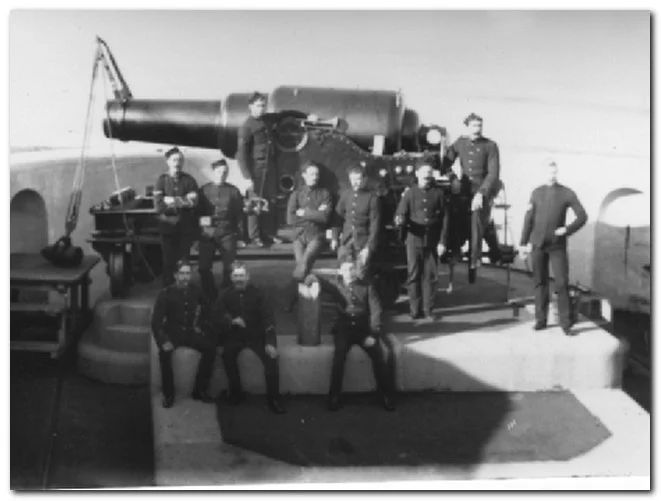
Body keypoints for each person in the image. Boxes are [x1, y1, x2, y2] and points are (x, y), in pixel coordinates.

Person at [311, 258, 396, 412]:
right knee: (339, 357)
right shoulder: (336, 285)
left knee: (379, 356)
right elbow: (320, 282)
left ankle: (385, 395)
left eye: (352, 269)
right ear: (340, 272)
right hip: (344, 329)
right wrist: (312, 277)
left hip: (363, 330)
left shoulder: (367, 286)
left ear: (356, 270)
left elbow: (376, 310)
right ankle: (334, 396)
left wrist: (374, 333)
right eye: (345, 270)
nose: (349, 273)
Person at [519, 159, 587, 335]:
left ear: (557, 173)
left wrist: (567, 229)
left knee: (562, 283)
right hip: (537, 245)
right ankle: (541, 320)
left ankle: (566, 324)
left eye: (554, 172)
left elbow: (582, 216)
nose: (552, 175)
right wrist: (522, 244)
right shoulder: (536, 193)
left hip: (557, 246)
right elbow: (528, 220)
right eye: (549, 172)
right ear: (544, 173)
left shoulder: (566, 193)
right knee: (540, 282)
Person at [210, 262, 286, 414]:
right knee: (227, 356)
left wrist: (270, 342)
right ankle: (236, 392)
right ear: (232, 278)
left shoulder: (259, 294)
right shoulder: (226, 294)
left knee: (271, 359)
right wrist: (230, 320)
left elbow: (268, 318)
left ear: (248, 277)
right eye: (236, 276)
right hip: (235, 336)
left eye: (242, 276)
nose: (239, 279)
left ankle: (274, 399)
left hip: (256, 336)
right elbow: (215, 315)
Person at [441, 113, 502, 280]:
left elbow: (493, 173)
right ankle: (453, 250)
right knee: (451, 211)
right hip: (464, 188)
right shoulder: (460, 143)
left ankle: (475, 259)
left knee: (476, 218)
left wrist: (481, 194)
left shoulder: (490, 146)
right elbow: (445, 163)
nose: (477, 129)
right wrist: (453, 178)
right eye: (474, 126)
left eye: (479, 126)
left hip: (483, 188)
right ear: (467, 127)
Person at [151, 260, 217, 409]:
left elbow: (207, 309)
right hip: (173, 334)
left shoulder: (196, 290)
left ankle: (200, 390)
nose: (185, 277)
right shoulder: (165, 294)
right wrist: (163, 340)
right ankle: (168, 394)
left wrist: (200, 326)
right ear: (175, 275)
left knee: (210, 349)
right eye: (182, 273)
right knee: (165, 354)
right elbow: (156, 322)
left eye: (188, 273)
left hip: (191, 333)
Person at [395, 164, 449, 320]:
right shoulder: (410, 193)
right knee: (413, 275)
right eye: (424, 173)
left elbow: (445, 219)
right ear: (417, 174)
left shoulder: (438, 193)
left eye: (429, 174)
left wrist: (442, 242)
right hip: (413, 240)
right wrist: (399, 219)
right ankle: (414, 309)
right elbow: (401, 212)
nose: (427, 177)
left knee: (430, 276)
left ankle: (428, 310)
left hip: (432, 241)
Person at [285, 161, 333, 310]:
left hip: (316, 236)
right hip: (299, 236)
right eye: (311, 174)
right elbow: (290, 218)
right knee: (302, 267)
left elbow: (325, 218)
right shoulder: (297, 194)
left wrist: (304, 213)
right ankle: (307, 298)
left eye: (317, 174)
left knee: (304, 264)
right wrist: (315, 213)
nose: (314, 177)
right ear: (304, 176)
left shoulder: (324, 194)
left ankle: (290, 300)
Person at [197, 159, 245, 300]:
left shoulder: (233, 191)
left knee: (230, 268)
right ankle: (209, 294)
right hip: (208, 232)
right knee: (203, 268)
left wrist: (240, 237)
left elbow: (239, 215)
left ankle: (226, 295)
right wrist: (206, 229)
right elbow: (199, 213)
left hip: (227, 232)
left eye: (225, 172)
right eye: (219, 172)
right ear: (213, 173)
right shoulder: (204, 190)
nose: (222, 175)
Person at [236, 92, 279, 247]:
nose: (262, 109)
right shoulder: (246, 127)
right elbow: (241, 154)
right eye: (259, 106)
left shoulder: (266, 120)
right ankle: (254, 236)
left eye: (263, 105)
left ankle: (269, 234)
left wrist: (307, 116)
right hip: (257, 168)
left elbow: (284, 114)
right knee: (255, 203)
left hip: (270, 166)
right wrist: (247, 176)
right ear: (250, 107)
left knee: (271, 201)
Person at [154, 147, 199, 287]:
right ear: (168, 161)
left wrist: (172, 200)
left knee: (184, 263)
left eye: (180, 160)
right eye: (174, 160)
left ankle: (184, 291)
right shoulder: (161, 181)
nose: (177, 163)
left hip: (184, 229)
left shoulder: (189, 181)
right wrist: (183, 200)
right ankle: (167, 290)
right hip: (167, 229)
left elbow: (194, 203)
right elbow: (159, 207)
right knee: (168, 262)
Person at [331, 165, 381, 278]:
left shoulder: (372, 198)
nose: (355, 182)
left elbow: (375, 226)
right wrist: (334, 237)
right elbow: (337, 218)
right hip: (346, 240)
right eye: (352, 179)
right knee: (344, 272)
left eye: (358, 179)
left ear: (364, 180)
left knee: (361, 274)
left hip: (363, 242)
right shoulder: (346, 195)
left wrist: (369, 248)